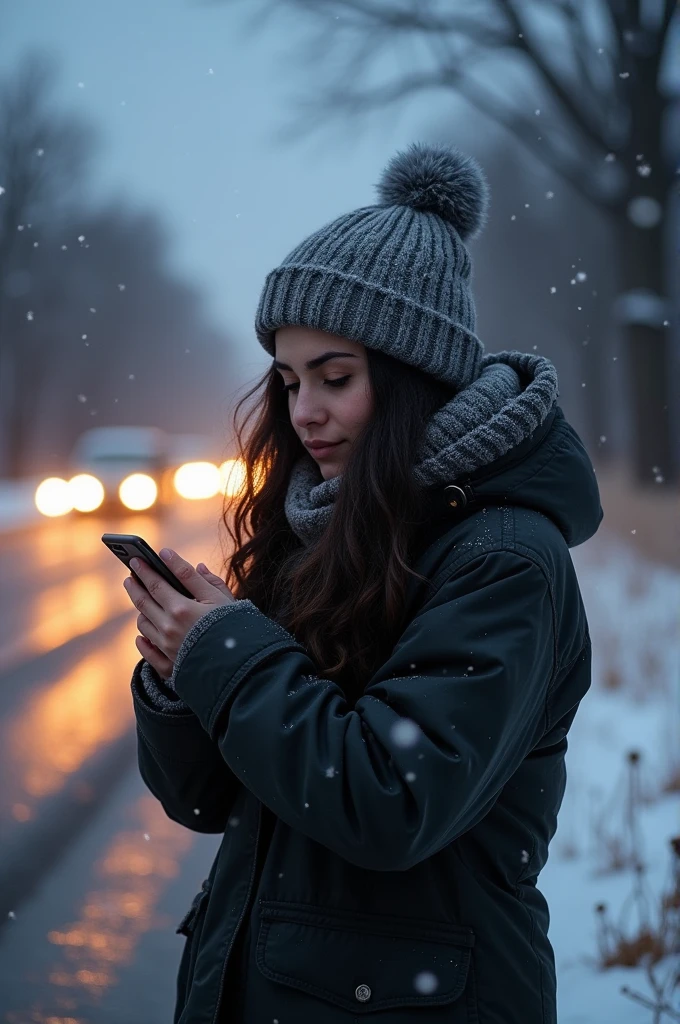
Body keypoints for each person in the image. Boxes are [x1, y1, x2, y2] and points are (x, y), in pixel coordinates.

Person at [129, 141, 603, 1023]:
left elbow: (389, 798)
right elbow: (205, 799)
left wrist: (227, 655)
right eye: (289, 378)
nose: (304, 410)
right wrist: (179, 672)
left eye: (335, 378)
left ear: (415, 375)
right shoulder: (320, 526)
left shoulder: (502, 556)